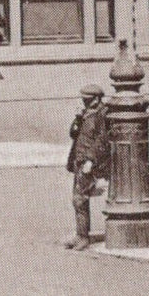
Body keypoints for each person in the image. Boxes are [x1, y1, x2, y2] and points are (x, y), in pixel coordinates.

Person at [65, 84, 110, 250]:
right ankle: (80, 234)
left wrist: (91, 160)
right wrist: (77, 118)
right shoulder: (85, 114)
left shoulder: (102, 115)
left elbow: (101, 141)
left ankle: (83, 237)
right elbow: (73, 134)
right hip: (79, 161)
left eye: (87, 99)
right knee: (77, 199)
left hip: (89, 163)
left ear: (96, 99)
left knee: (80, 198)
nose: (84, 102)